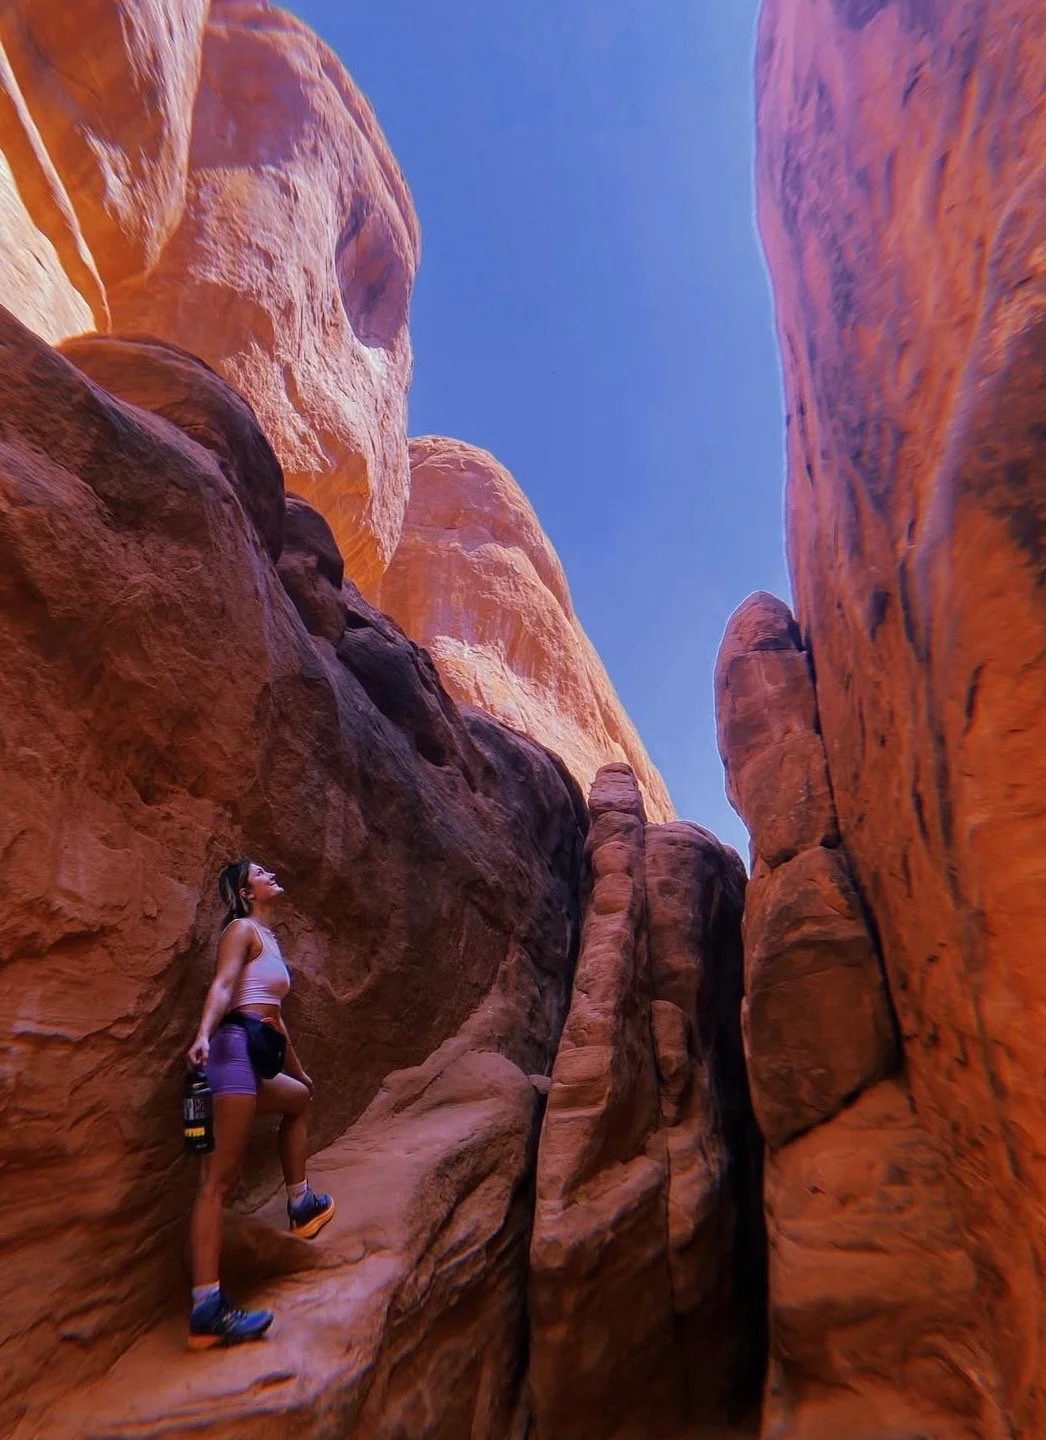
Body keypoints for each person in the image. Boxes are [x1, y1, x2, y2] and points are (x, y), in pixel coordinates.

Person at [184, 858, 336, 1350]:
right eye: (259, 872)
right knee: (216, 1182)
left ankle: (301, 1204)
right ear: (246, 893)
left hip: (256, 1055)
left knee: (298, 1100)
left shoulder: (269, 939)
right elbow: (225, 987)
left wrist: (298, 1071)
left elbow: (275, 1016)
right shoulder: (240, 930)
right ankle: (207, 1307)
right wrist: (202, 1034)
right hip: (230, 1054)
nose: (271, 872)